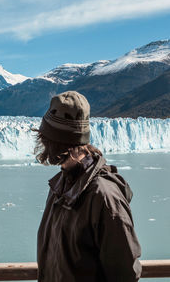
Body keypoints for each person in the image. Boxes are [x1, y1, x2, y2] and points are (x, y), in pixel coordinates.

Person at [35, 91, 142, 282]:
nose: (42, 143)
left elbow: (124, 274)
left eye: (46, 138)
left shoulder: (104, 197)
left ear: (60, 142)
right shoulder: (59, 187)